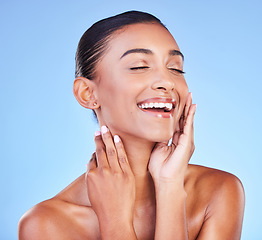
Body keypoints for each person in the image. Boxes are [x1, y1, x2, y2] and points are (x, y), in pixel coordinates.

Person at [18, 11, 245, 240]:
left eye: (176, 68)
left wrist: (170, 187)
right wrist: (115, 219)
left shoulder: (219, 191)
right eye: (139, 66)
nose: (167, 81)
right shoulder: (45, 225)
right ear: (87, 93)